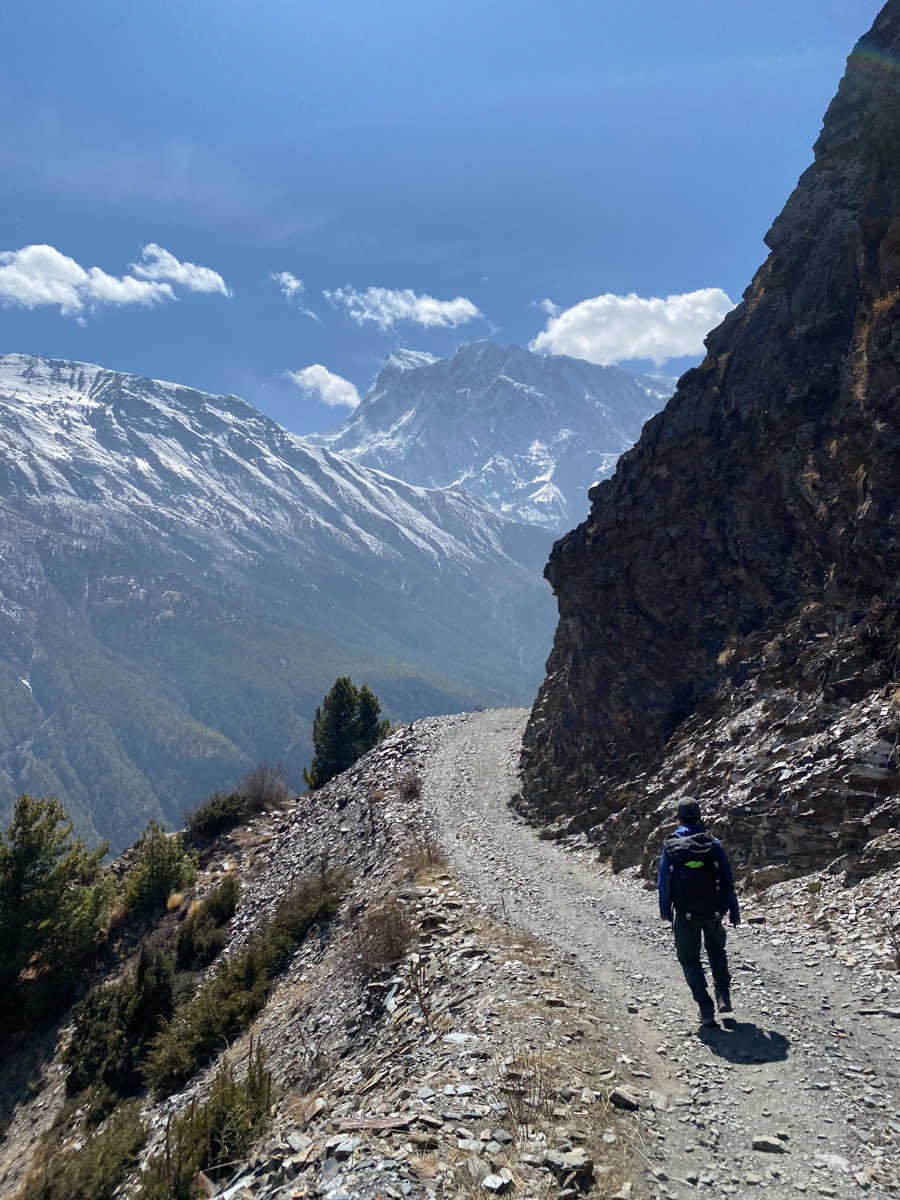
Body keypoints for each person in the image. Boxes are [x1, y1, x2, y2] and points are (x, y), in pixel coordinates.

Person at [657, 798, 740, 1027]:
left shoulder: (671, 845)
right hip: (713, 912)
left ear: (678, 817)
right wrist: (734, 910)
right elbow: (727, 879)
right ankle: (723, 994)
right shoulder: (713, 843)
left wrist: (665, 910)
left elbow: (663, 881)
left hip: (685, 914)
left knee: (690, 960)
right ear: (700, 816)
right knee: (716, 950)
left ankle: (705, 1008)